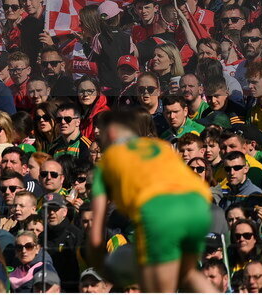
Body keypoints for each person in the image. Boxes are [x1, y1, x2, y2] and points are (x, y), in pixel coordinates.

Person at [89, 107, 216, 292]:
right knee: (187, 272)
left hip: (159, 213)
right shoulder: (160, 147)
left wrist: (100, 267)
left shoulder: (107, 164)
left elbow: (96, 233)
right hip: (199, 203)